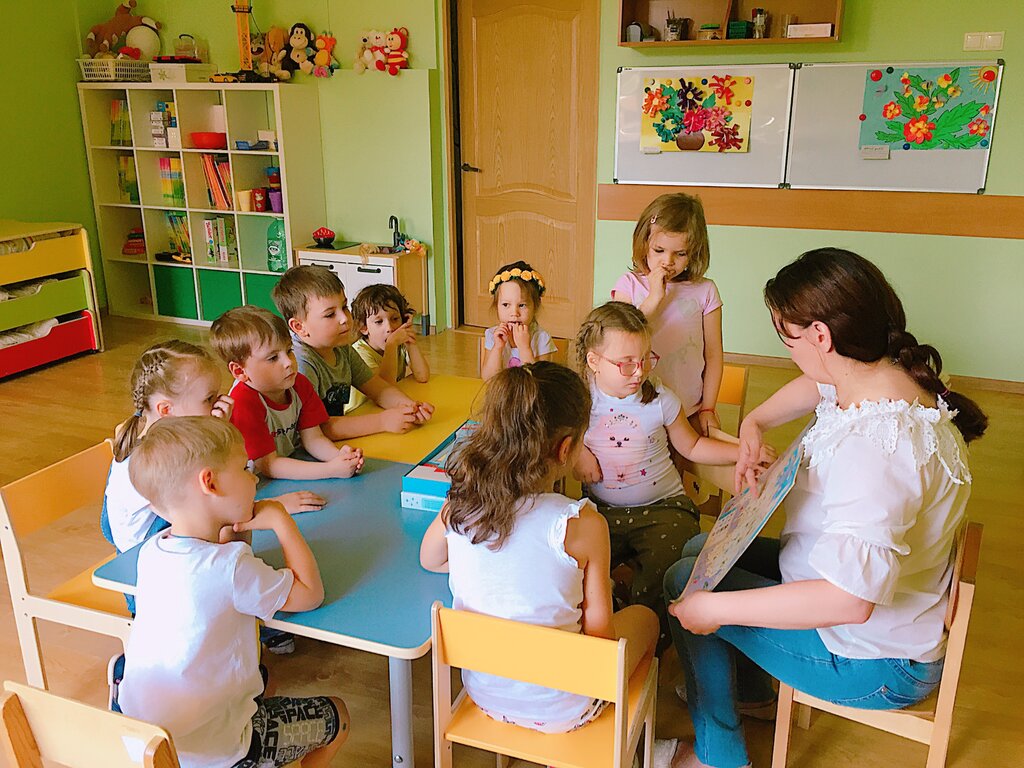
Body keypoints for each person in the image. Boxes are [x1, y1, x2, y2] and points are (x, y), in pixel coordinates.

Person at [660, 248, 988, 768]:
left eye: (788, 340)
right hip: (874, 606)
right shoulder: (883, 376)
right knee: (702, 550)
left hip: (873, 661)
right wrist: (754, 423)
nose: (789, 353)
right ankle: (753, 693)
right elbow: (817, 384)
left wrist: (713, 611)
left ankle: (719, 757)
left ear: (820, 336)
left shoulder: (876, 449)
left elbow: (848, 601)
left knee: (688, 583)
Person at [420, 362, 659, 732]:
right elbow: (600, 642)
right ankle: (636, 740)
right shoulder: (581, 523)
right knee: (646, 617)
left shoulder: (462, 505)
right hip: (567, 708)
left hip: (484, 694)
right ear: (565, 449)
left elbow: (430, 559)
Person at [117, 417, 349, 768]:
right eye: (244, 468)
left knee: (263, 681)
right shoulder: (230, 569)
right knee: (338, 715)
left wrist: (233, 523)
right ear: (209, 482)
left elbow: (226, 562)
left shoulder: (153, 551)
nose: (254, 478)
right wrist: (280, 519)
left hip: (148, 743)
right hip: (218, 752)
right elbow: (310, 593)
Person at [573, 302, 767, 648]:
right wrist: (579, 452)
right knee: (576, 567)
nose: (639, 371)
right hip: (599, 512)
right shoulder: (580, 400)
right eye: (626, 363)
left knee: (666, 567)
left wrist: (743, 452)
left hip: (663, 508)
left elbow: (692, 447)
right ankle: (612, 615)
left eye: (646, 359)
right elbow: (554, 443)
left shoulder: (659, 398)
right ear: (593, 361)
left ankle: (645, 638)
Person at [102, 340, 324, 626]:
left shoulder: (173, 443)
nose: (223, 404)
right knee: (247, 575)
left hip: (182, 561)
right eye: (210, 399)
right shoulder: (161, 461)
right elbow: (218, 509)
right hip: (156, 588)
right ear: (166, 410)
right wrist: (274, 509)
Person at [271, 265, 433, 435]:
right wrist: (382, 421)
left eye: (344, 307)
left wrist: (409, 408)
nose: (344, 318)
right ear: (299, 327)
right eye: (330, 314)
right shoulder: (300, 363)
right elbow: (316, 429)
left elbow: (379, 389)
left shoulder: (342, 349)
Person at [209, 305, 365, 480]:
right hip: (256, 483)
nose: (288, 362)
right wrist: (331, 469)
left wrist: (340, 457)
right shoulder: (243, 401)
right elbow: (268, 465)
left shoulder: (299, 383)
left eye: (289, 351)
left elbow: (313, 439)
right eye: (273, 358)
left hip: (286, 471)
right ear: (239, 371)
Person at [612, 193, 723, 437]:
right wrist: (654, 298)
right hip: (638, 409)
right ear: (644, 244)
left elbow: (713, 354)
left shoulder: (705, 290)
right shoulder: (628, 285)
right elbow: (620, 341)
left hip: (689, 408)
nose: (668, 261)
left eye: (680, 253)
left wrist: (708, 408)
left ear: (694, 252)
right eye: (659, 250)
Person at [348, 283, 430, 410]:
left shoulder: (399, 344)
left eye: (395, 319)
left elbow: (422, 376)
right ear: (363, 327)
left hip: (385, 409)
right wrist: (391, 345)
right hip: (362, 412)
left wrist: (409, 339)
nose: (389, 328)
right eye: (379, 322)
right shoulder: (360, 353)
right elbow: (384, 390)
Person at [480, 260, 558, 380]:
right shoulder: (493, 335)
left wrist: (524, 348)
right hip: (502, 390)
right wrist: (497, 347)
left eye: (522, 305)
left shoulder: (542, 339)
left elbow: (538, 383)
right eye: (506, 305)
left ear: (535, 307)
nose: (514, 313)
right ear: (497, 306)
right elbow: (488, 379)